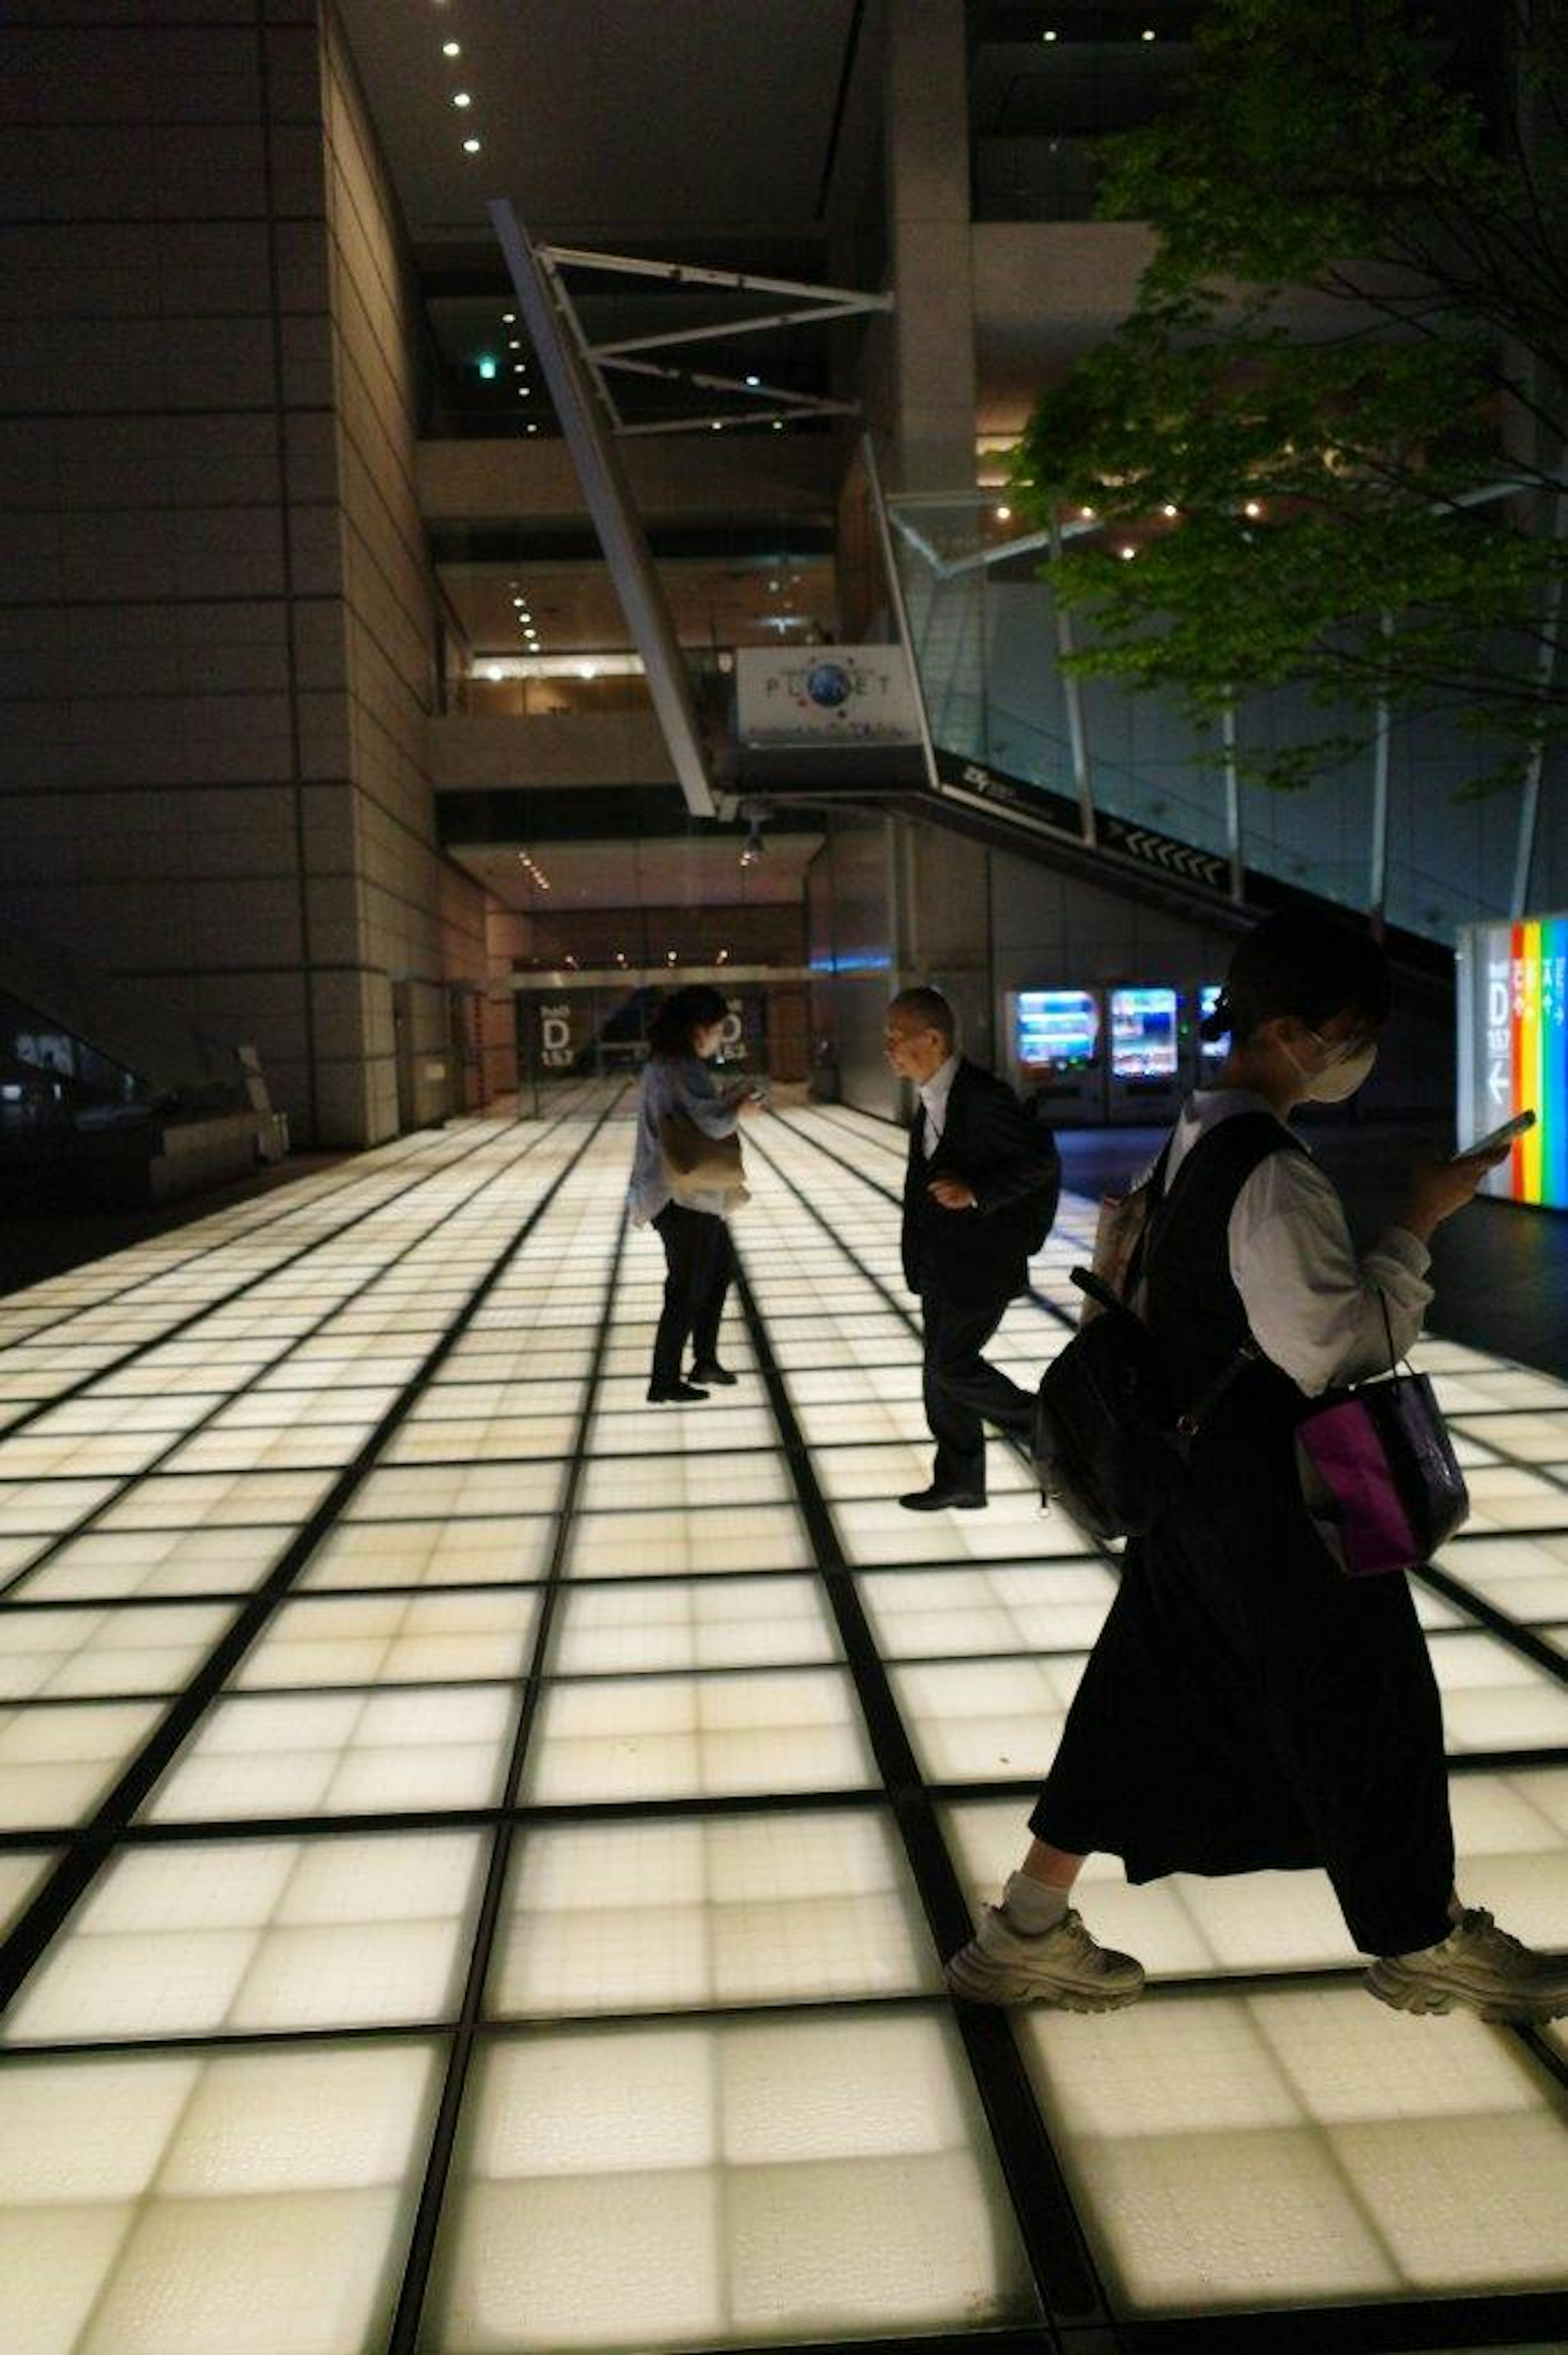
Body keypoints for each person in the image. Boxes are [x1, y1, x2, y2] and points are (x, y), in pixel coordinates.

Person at [946, 910, 1568, 2024]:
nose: (1357, 1051)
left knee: (1137, 1693)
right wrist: (1419, 1224)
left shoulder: (1191, 1137)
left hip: (1194, 1485)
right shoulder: (1274, 1172)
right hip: (1286, 1499)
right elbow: (1334, 1346)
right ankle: (1421, 1937)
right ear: (1287, 1030)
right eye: (1347, 1031)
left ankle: (1024, 1928)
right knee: (1372, 1703)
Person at [887, 986, 1061, 1511]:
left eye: (897, 1037)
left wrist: (976, 1194)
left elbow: (1040, 1164)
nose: (889, 1049)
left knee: (951, 1367)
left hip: (982, 1264)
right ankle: (960, 1479)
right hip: (942, 1264)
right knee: (939, 1379)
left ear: (932, 1039)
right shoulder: (933, 1098)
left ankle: (1047, 1428)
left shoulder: (982, 1097)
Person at [630, 985, 759, 1404]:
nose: (721, 1036)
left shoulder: (664, 1065)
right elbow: (709, 1125)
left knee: (717, 1272)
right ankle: (663, 1381)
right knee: (686, 1286)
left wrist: (728, 1102)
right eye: (720, 1028)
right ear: (699, 1029)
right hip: (680, 1194)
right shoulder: (680, 1067)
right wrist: (739, 1107)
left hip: (678, 1192)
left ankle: (704, 1360)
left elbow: (691, 1115)